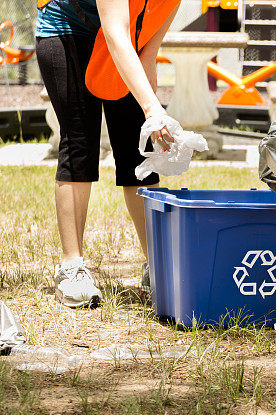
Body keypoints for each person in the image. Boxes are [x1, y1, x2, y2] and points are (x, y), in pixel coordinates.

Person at [35, 0, 179, 307]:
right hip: (68, 31)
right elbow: (116, 35)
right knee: (79, 143)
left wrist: (150, 117)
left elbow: (146, 52)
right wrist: (153, 108)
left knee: (138, 153)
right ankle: (71, 269)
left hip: (123, 41)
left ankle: (157, 268)